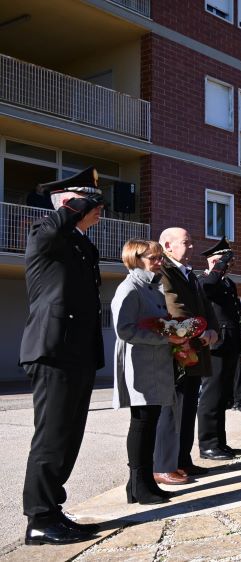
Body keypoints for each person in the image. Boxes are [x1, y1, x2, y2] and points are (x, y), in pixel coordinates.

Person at [20, 167, 105, 545]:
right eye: (92, 202)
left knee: (69, 439)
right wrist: (75, 203)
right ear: (71, 204)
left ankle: (53, 510)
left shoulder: (81, 244)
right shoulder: (44, 233)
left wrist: (82, 204)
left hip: (78, 352)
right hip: (53, 350)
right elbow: (56, 228)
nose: (99, 209)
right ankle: (38, 518)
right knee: (52, 437)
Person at [111, 240, 187, 505]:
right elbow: (125, 330)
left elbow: (158, 324)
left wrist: (175, 331)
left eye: (159, 257)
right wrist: (166, 339)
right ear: (135, 258)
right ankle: (138, 485)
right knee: (142, 424)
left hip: (155, 364)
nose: (159, 261)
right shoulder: (130, 288)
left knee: (150, 422)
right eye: (153, 258)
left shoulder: (152, 288)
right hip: (141, 366)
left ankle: (144, 484)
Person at [153, 228, 219, 486]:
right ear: (168, 245)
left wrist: (212, 330)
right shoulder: (165, 270)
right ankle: (163, 464)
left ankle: (182, 459)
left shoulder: (188, 272)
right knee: (171, 411)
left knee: (188, 408)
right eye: (186, 242)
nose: (192, 247)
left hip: (195, 347)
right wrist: (201, 331)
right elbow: (175, 307)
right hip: (178, 351)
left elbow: (205, 307)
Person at [197, 237, 241, 461]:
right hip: (216, 345)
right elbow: (207, 288)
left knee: (223, 395)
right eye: (222, 261)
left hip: (231, 342)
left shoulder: (228, 283)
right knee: (211, 394)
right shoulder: (205, 280)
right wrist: (218, 266)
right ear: (212, 262)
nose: (227, 266)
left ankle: (220, 442)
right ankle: (208, 444)